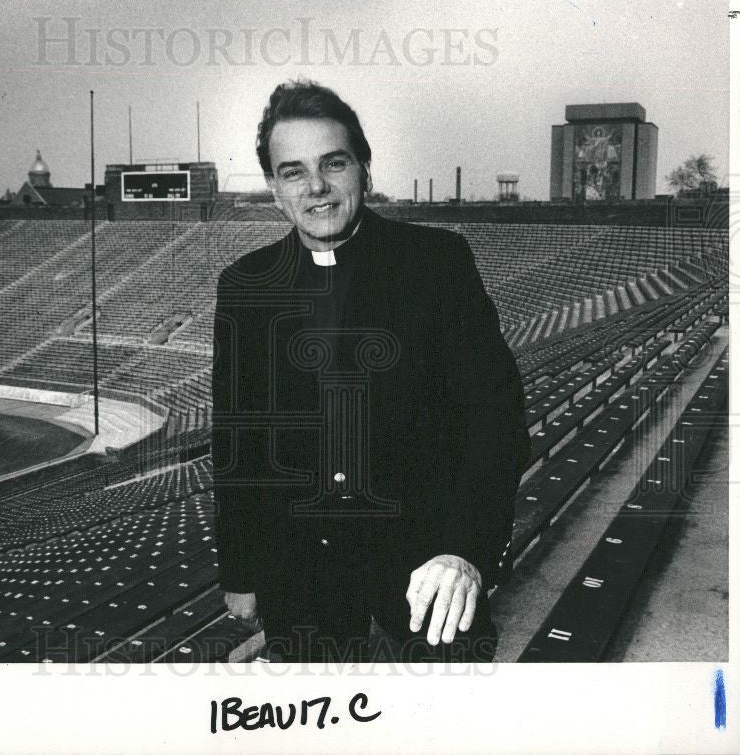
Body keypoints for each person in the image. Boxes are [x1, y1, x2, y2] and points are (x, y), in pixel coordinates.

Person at [211, 79, 529, 662]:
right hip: (298, 573)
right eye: (292, 171)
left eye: (334, 163)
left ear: (364, 168)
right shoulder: (244, 285)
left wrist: (466, 553)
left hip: (427, 564)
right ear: (273, 187)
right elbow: (239, 438)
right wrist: (241, 568)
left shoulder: (437, 264)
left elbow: (496, 421)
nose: (315, 187)